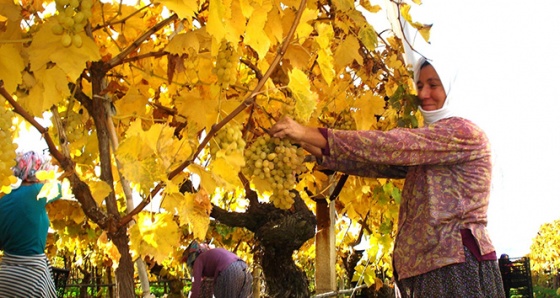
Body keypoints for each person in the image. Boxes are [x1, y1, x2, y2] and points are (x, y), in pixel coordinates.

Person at [269, 56, 505, 297]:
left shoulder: (462, 133)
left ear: (453, 88)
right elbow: (376, 163)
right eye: (420, 86)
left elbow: (390, 145)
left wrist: (309, 133)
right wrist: (308, 144)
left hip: (455, 266)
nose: (424, 94)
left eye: (434, 85)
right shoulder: (433, 148)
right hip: (430, 268)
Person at [0, 151, 62, 297]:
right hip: (32, 275)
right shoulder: (36, 192)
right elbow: (60, 189)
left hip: (5, 274)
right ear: (38, 174)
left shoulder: (3, 200)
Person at [183, 240, 253, 298]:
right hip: (245, 270)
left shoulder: (199, 260)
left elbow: (195, 287)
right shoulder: (211, 255)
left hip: (229, 271)